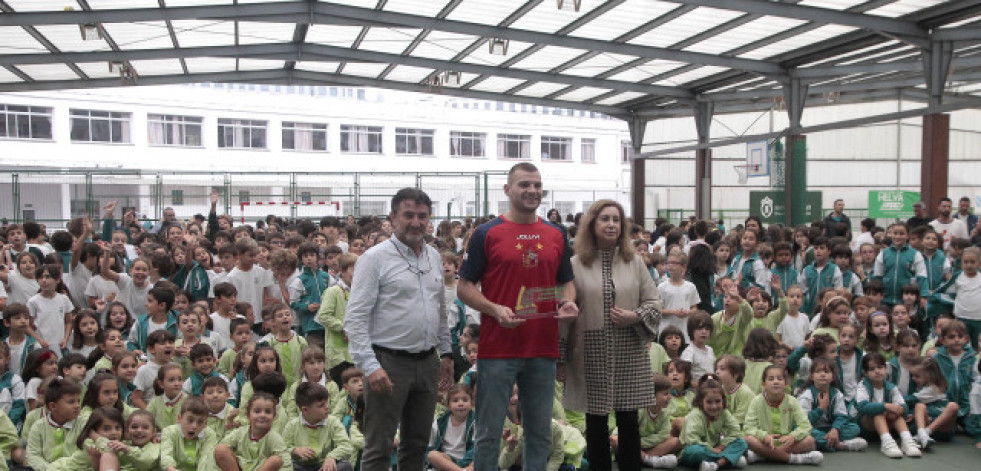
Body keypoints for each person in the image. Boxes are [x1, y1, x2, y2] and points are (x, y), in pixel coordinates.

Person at [457, 163, 578, 471]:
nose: (532, 191)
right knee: (488, 431)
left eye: (537, 185)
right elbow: (464, 287)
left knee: (539, 433)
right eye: (524, 184)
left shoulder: (556, 234)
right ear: (508, 190)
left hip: (542, 349)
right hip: (498, 350)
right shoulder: (486, 233)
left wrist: (568, 303)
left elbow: (567, 281)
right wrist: (495, 309)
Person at [343, 188, 453, 471]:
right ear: (392, 217)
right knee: (378, 447)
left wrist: (447, 353)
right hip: (387, 363)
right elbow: (354, 318)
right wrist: (370, 366)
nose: (416, 222)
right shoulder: (374, 258)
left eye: (422, 216)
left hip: (428, 362)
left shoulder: (434, 257)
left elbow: (440, 310)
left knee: (417, 445)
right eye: (408, 215)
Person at [560, 199, 661, 471]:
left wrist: (634, 316)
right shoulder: (575, 263)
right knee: (596, 421)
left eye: (616, 220)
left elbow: (654, 303)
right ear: (592, 225)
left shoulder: (635, 262)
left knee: (629, 419)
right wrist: (561, 359)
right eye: (605, 219)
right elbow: (564, 312)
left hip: (629, 347)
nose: (611, 224)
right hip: (589, 349)